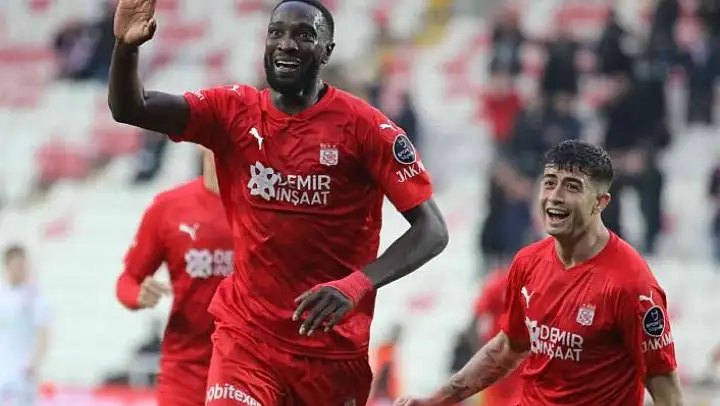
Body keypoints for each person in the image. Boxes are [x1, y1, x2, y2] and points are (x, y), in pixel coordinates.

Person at [108, 0, 449, 405]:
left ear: (326, 51)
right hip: (247, 339)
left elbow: (432, 230)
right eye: (276, 33)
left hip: (331, 352)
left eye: (304, 35)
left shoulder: (366, 128)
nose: (286, 43)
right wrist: (125, 48)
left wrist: (356, 285)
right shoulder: (233, 111)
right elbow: (132, 107)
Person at [396, 140, 682, 406]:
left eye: (572, 187)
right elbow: (508, 347)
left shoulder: (632, 286)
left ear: (600, 202)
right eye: (549, 183)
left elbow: (664, 384)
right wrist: (435, 401)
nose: (555, 197)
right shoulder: (528, 263)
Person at [116, 148, 234, 406]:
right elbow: (128, 280)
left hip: (246, 370)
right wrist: (138, 295)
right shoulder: (168, 207)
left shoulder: (266, 209)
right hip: (185, 371)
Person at [0, 245, 51, 406]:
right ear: (7, 266)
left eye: (22, 265)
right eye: (15, 265)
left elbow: (44, 334)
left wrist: (34, 362)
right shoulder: (3, 297)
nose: (19, 270)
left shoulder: (34, 298)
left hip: (23, 374)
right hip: (3, 371)